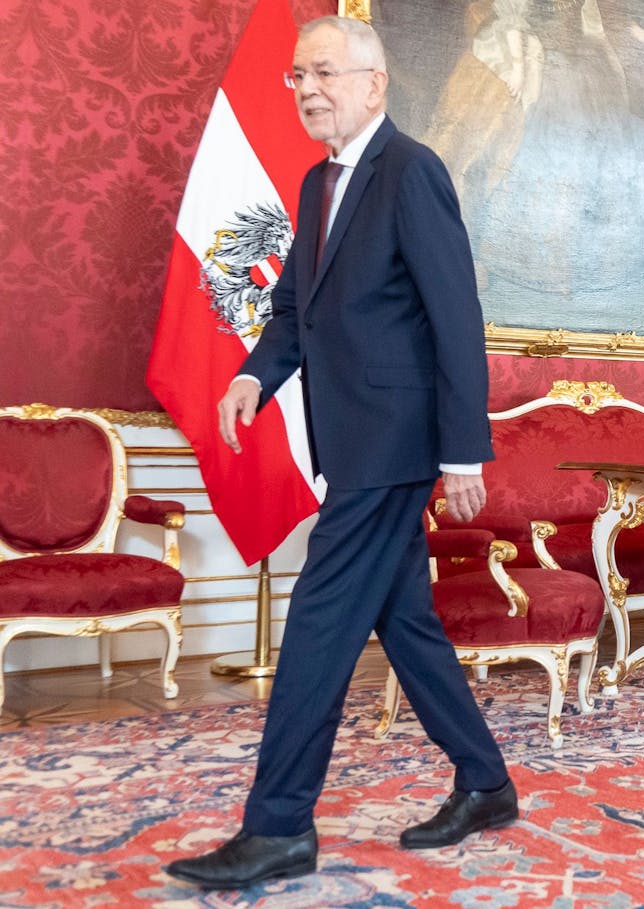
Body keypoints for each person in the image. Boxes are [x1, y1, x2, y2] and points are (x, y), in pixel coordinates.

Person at [165, 16, 516, 890]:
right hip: (350, 441)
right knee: (406, 623)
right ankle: (487, 781)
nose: (308, 89)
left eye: (324, 72)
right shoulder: (318, 183)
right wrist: (254, 375)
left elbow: (456, 318)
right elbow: (295, 309)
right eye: (298, 76)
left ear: (373, 81)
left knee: (319, 623)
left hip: (393, 446)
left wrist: (464, 451)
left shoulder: (413, 171)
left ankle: (278, 824)